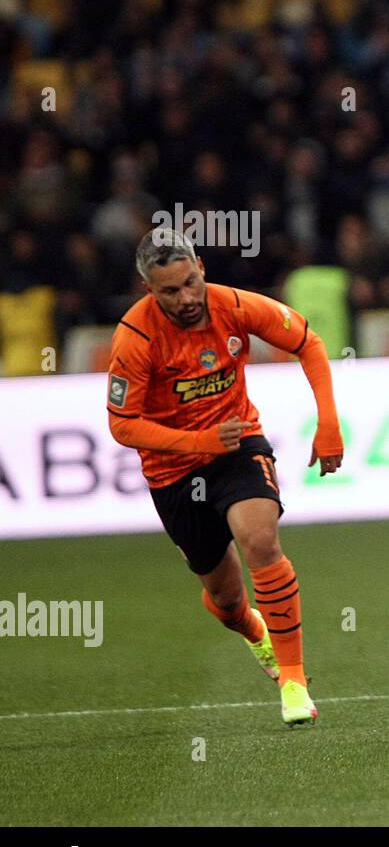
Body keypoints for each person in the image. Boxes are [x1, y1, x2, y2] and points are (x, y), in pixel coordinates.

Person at [106, 229, 345, 726]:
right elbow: (121, 424)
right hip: (173, 470)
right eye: (170, 291)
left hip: (237, 447)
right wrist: (198, 442)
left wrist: (327, 423)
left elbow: (308, 341)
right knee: (228, 599)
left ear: (201, 269)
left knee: (260, 540)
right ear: (149, 289)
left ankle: (294, 680)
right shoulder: (136, 338)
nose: (187, 298)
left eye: (190, 282)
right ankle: (253, 632)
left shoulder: (233, 306)